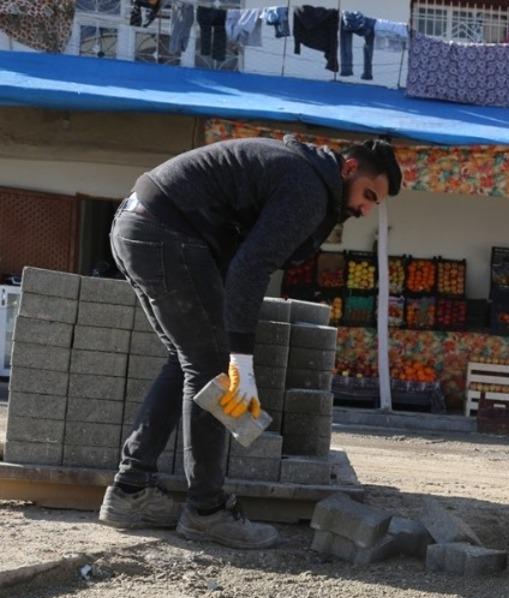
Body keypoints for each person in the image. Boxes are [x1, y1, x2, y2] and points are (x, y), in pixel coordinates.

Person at [98, 136, 402, 548]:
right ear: (348, 168)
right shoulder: (308, 189)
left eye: (374, 204)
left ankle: (130, 491)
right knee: (210, 369)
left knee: (187, 359)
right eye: (368, 194)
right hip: (163, 231)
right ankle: (207, 511)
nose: (365, 209)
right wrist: (241, 359)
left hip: (137, 222)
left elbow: (237, 255)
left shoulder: (296, 169)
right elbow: (250, 268)